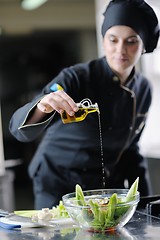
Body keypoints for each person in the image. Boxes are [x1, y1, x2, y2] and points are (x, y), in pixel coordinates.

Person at [9, 0, 159, 210]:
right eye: (113, 39)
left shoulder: (144, 88)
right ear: (104, 40)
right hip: (58, 182)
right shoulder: (77, 78)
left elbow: (130, 149)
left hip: (104, 185)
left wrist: (146, 204)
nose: (120, 50)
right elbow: (18, 130)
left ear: (144, 46)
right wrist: (44, 105)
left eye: (131, 41)